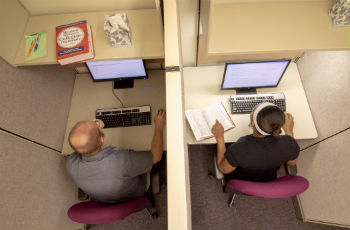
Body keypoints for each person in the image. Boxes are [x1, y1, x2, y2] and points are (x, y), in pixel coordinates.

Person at [66, 110, 166, 203]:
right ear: (102, 139)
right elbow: (156, 157)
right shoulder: (121, 161)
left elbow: (82, 146)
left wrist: (93, 128)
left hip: (104, 198)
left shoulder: (70, 164)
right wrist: (159, 126)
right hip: (134, 194)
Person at [211, 102, 300, 182]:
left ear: (253, 123)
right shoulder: (289, 143)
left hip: (242, 180)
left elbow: (223, 169)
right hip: (268, 178)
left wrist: (219, 137)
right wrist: (289, 131)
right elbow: (291, 163)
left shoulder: (240, 149)